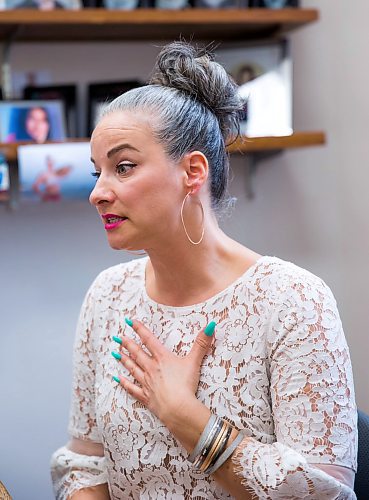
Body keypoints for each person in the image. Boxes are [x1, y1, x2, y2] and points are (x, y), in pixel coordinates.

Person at [50, 41, 357, 499]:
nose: (98, 192)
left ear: (193, 172)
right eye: (97, 172)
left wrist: (182, 414)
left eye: (124, 167)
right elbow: (85, 464)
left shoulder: (293, 300)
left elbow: (323, 492)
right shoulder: (107, 296)